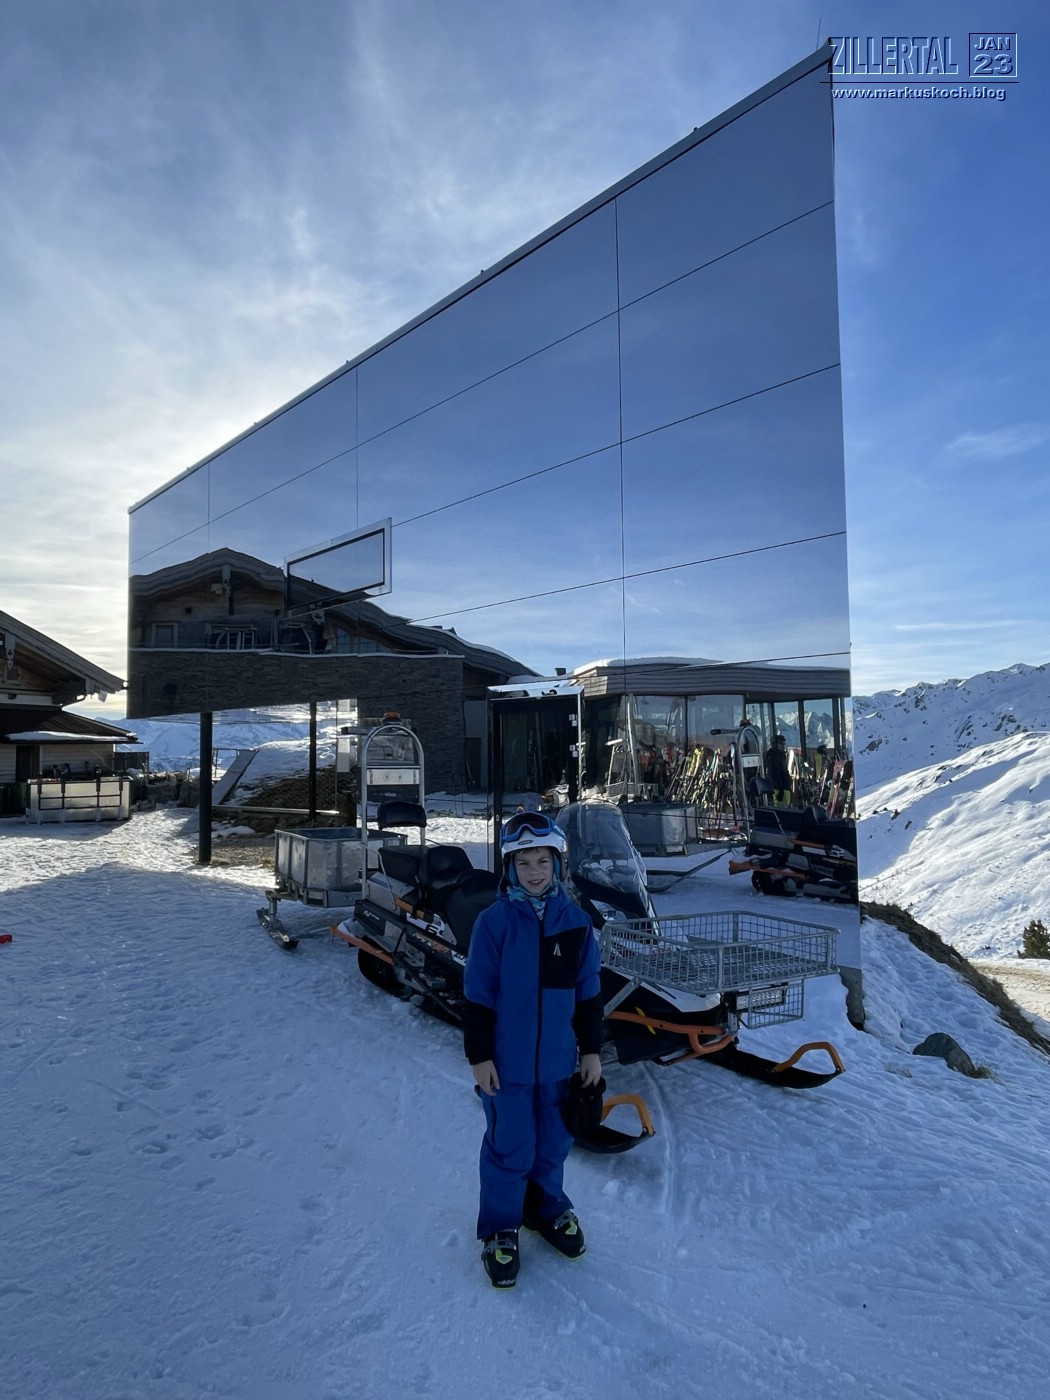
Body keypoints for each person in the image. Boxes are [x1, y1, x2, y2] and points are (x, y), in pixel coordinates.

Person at [462, 811, 604, 1288]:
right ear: (509, 868)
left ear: (558, 864)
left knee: (554, 1143)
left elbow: (588, 994)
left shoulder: (576, 924)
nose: (535, 871)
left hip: (558, 1066)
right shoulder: (494, 924)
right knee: (510, 1145)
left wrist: (591, 1051)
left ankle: (546, 1208)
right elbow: (478, 996)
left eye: (543, 861)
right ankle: (501, 1226)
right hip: (507, 1067)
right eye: (523, 863)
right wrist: (480, 1056)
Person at [764, 733, 793, 806]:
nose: (783, 746)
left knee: (787, 806)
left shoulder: (782, 756)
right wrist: (780, 789)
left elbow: (784, 771)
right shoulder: (771, 757)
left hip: (784, 787)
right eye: (781, 744)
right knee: (780, 807)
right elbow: (772, 774)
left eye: (783, 744)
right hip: (777, 789)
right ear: (774, 744)